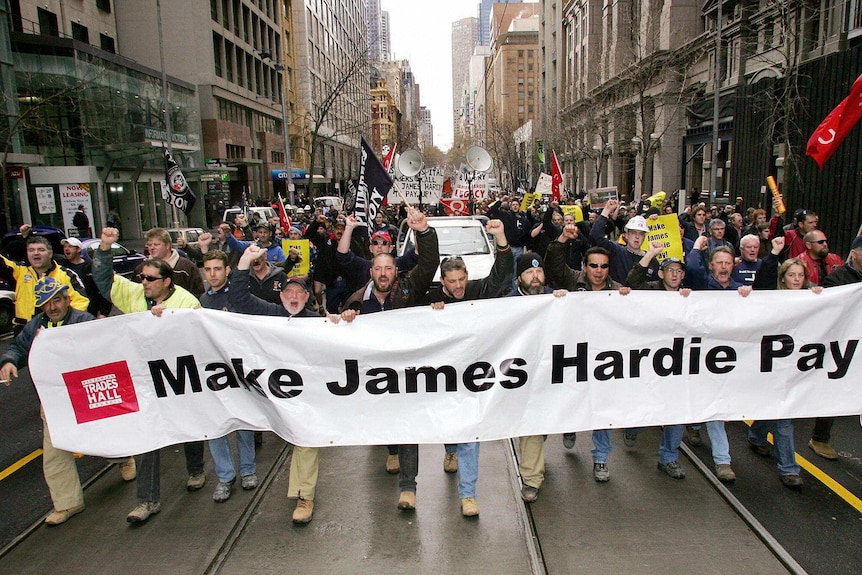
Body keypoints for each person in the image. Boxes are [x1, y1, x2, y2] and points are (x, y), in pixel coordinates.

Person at [0, 277, 135, 526]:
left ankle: (122, 457)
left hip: (85, 393)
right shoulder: (35, 327)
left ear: (67, 299)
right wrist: (8, 361)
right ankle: (67, 503)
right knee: (54, 450)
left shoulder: (83, 322)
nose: (52, 307)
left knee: (102, 436)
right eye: (46, 303)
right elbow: (18, 349)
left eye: (57, 300)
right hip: (54, 399)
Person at [93, 227, 203, 523]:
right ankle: (147, 500)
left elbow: (197, 336)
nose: (143, 283)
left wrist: (169, 321)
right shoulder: (134, 294)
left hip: (177, 377)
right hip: (143, 378)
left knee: (189, 425)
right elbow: (104, 282)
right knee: (145, 436)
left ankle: (195, 469)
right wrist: (104, 249)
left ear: (167, 282)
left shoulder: (185, 301)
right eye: (141, 278)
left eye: (150, 279)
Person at [341, 207, 440, 511]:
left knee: (407, 424)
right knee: (386, 422)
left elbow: (429, 262)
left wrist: (423, 231)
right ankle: (391, 448)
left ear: (396, 271)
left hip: (406, 373)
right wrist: (344, 319)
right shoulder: (357, 301)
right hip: (375, 379)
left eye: (388, 269)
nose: (383, 274)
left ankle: (408, 487)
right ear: (370, 272)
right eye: (377, 269)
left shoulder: (409, 289)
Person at [422, 219, 512, 517]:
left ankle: (468, 494)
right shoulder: (430, 299)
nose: (459, 286)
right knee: (451, 425)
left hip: (473, 376)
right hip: (443, 377)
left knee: (470, 432)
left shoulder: (477, 291)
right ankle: (450, 450)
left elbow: (499, 278)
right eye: (452, 281)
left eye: (462, 279)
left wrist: (500, 240)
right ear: (443, 282)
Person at [748, 257, 821, 488]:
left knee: (780, 411)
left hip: (798, 364)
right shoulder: (772, 299)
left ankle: (757, 435)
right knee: (784, 417)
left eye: (801, 275)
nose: (797, 280)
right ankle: (788, 469)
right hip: (775, 363)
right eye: (792, 275)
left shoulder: (812, 299)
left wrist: (821, 296)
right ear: (783, 278)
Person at [622, 242, 691, 479]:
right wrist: (650, 253)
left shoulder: (690, 296)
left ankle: (668, 458)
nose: (674, 275)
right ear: (661, 273)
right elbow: (631, 282)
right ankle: (633, 426)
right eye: (670, 270)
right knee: (647, 403)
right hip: (651, 360)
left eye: (678, 271)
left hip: (678, 363)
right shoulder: (650, 289)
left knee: (676, 410)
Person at [505, 252, 568, 501]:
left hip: (550, 372)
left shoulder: (553, 297)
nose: (535, 277)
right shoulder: (509, 303)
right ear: (519, 277)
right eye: (529, 272)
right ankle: (532, 479)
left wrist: (565, 304)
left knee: (541, 425)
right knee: (530, 423)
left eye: (538, 271)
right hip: (523, 375)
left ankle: (536, 455)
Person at [198, 251, 259, 503]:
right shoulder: (202, 300)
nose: (212, 274)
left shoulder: (238, 296)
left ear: (227, 271)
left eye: (217, 269)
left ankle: (248, 470)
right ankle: (225, 476)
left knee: (243, 421)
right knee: (216, 423)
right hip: (213, 370)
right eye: (208, 270)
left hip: (239, 367)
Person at [807, 236, 862, 460]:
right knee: (835, 388)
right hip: (843, 344)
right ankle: (820, 438)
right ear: (856, 252)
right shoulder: (838, 279)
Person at [0, 234, 90, 332]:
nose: (36, 253)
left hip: (55, 331)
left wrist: (63, 324)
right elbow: (3, 262)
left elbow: (81, 302)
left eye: (41, 250)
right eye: (31, 250)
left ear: (50, 254)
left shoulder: (66, 275)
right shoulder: (20, 271)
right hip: (24, 331)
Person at [590, 199, 658, 284]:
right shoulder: (617, 251)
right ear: (626, 235)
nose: (637, 237)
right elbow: (595, 236)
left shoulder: (652, 260)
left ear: (644, 237)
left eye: (641, 234)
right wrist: (607, 210)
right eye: (633, 233)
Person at [136, 228, 205, 298]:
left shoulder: (186, 268)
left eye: (156, 244)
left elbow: (198, 295)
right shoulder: (140, 270)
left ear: (167, 245)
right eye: (149, 245)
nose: (152, 248)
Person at [58, 237, 112, 317]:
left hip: (90, 311)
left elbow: (103, 289)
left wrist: (103, 313)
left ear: (78, 249)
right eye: (65, 247)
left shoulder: (91, 267)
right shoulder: (62, 267)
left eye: (70, 247)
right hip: (69, 310)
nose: (66, 249)